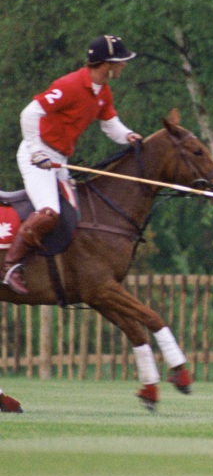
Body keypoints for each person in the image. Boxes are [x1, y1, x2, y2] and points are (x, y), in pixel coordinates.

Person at [5, 35, 143, 295]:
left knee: (76, 217)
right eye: (121, 61)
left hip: (59, 160)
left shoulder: (102, 91)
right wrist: (36, 150)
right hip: (37, 156)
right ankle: (9, 266)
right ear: (107, 64)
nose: (124, 65)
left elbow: (109, 123)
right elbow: (30, 113)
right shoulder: (69, 85)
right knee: (49, 212)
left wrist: (128, 135)